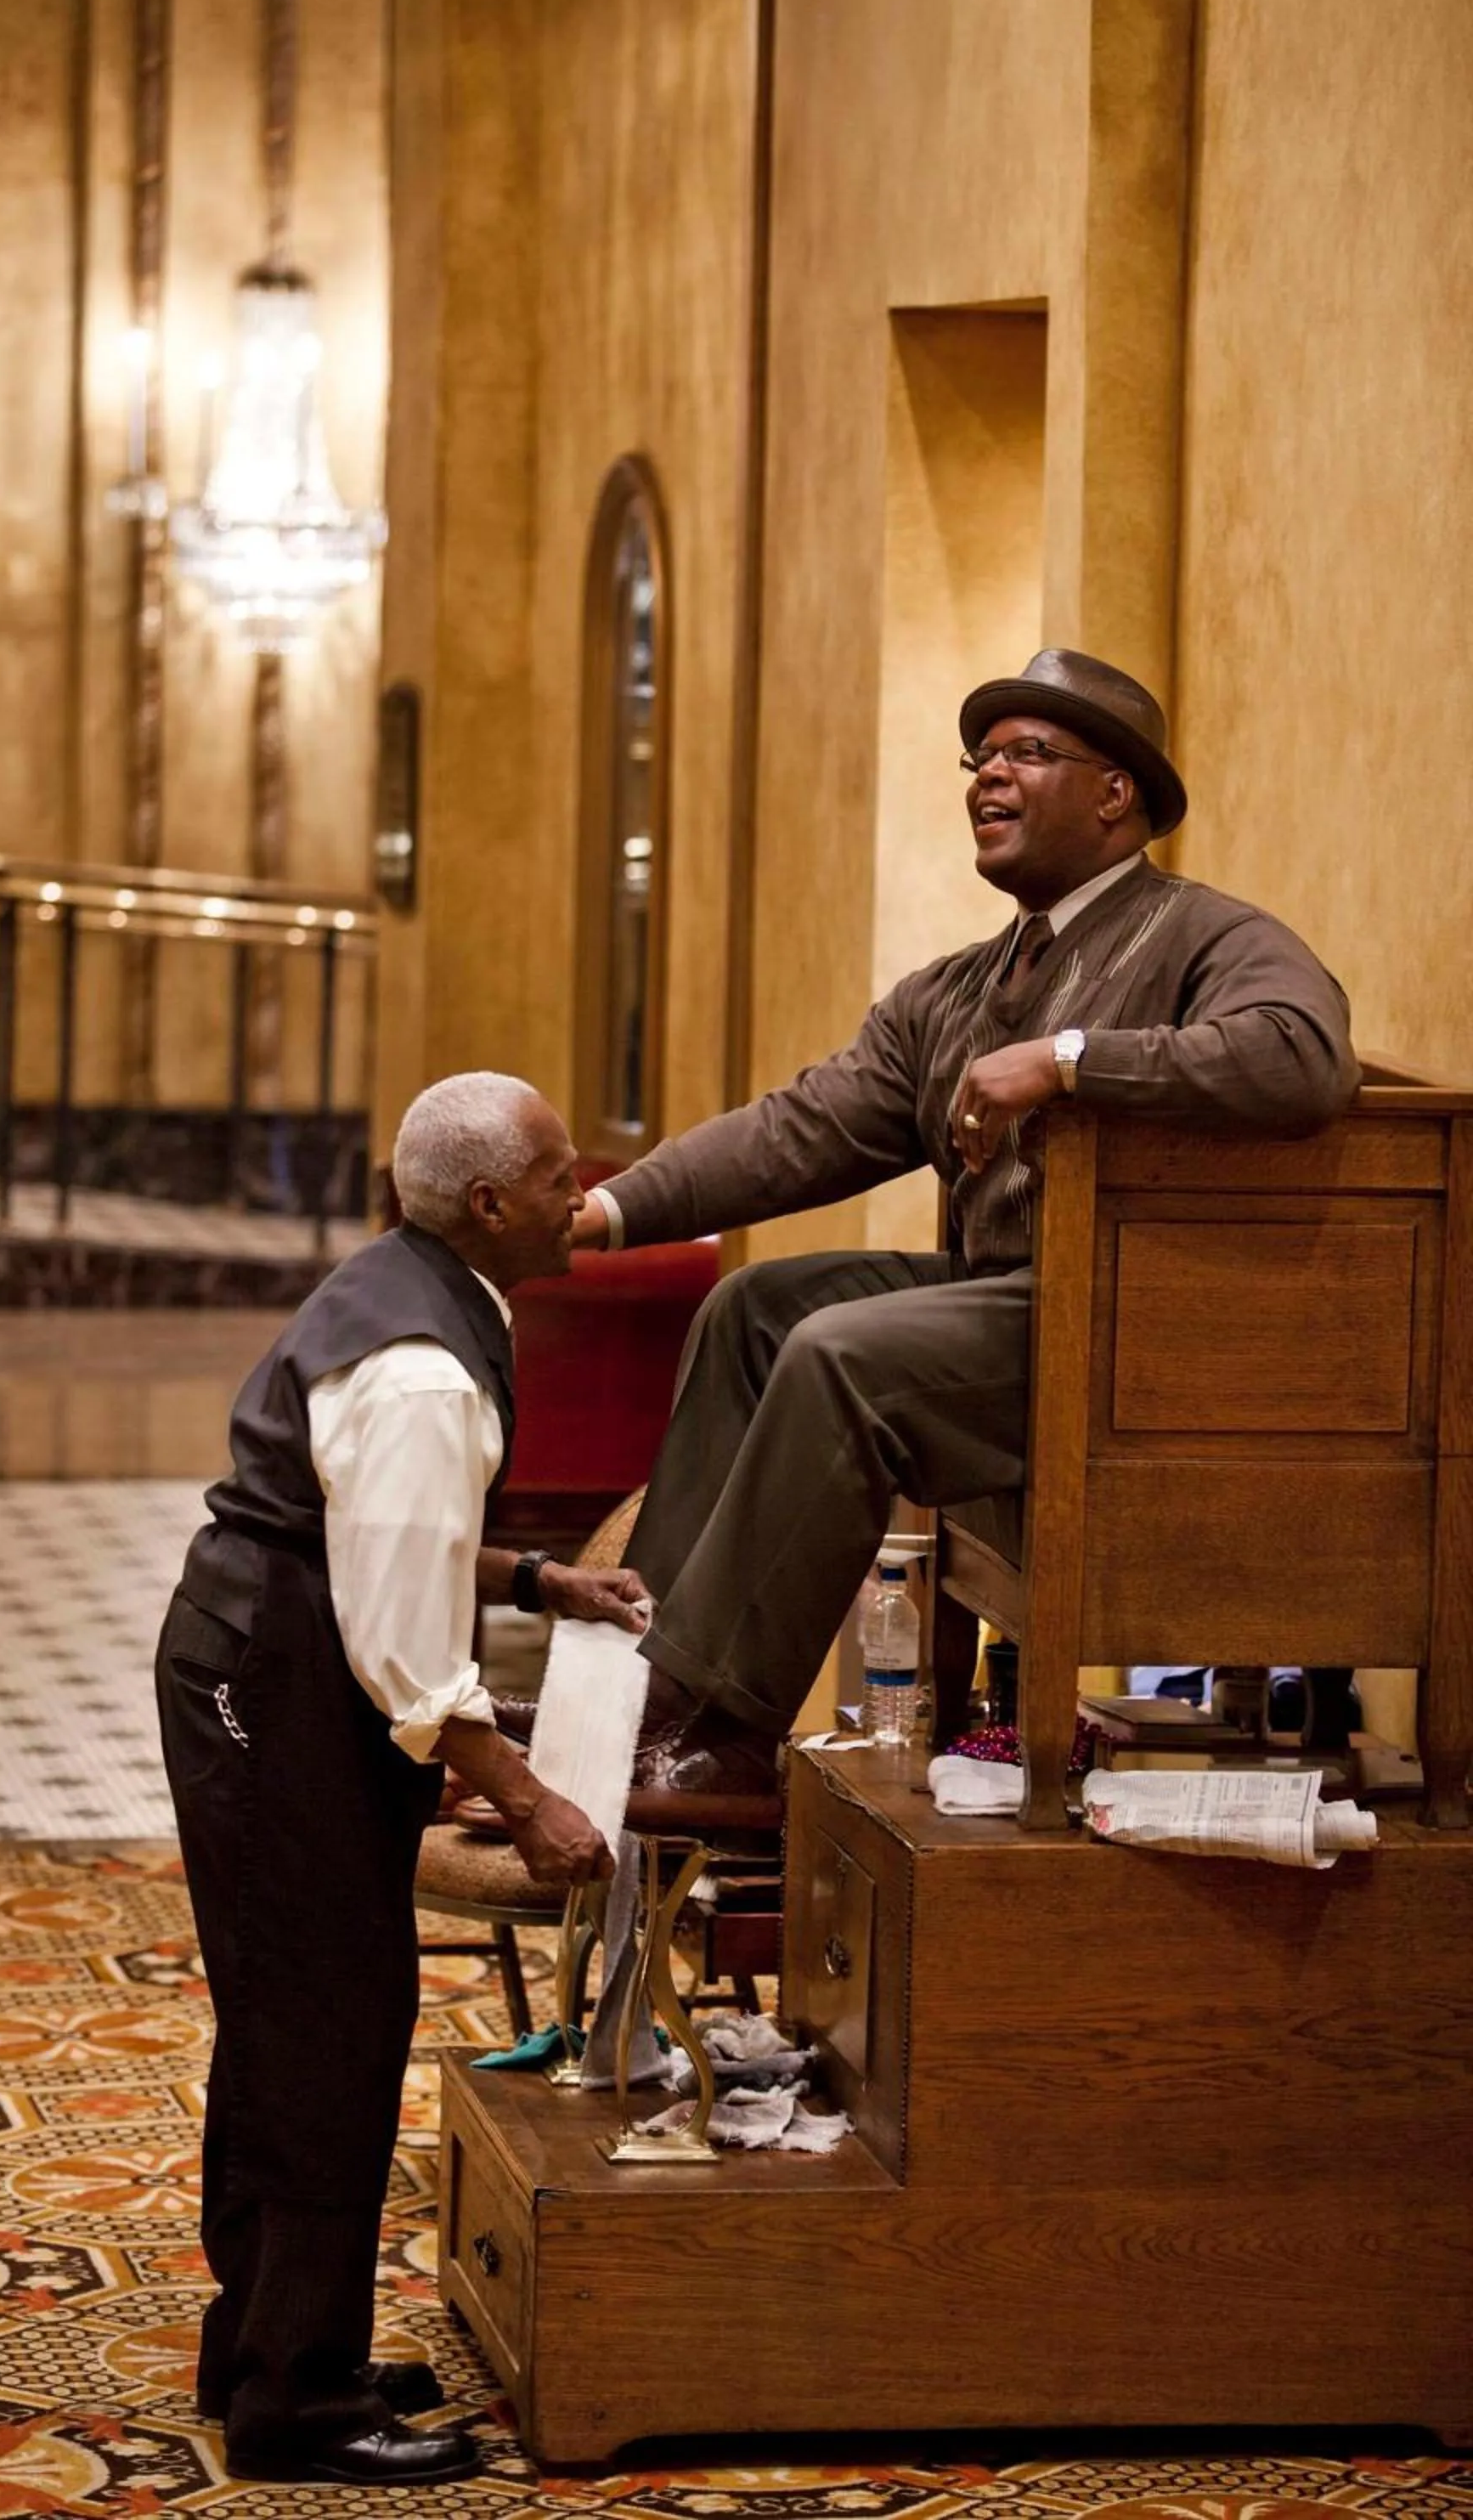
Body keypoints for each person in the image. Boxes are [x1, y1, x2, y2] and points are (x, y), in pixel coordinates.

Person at [569, 648, 1363, 1792]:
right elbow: (800, 1129)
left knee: (846, 1355)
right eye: (979, 758)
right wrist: (607, 1210)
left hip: (1130, 1335)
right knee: (752, 1307)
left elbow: (1301, 1057)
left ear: (1115, 792)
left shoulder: (1207, 935)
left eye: (1026, 754)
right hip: (1010, 1310)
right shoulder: (954, 991)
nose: (987, 778)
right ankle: (630, 1696)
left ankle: (733, 1736)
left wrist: (1067, 1062)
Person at [156, 1071, 645, 2487]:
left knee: (288, 2013)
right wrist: (528, 1792)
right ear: (491, 1205)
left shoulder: (409, 1287)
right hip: (277, 1684)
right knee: (323, 2030)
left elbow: (372, 1528)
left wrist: (540, 1577)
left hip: (270, 1653)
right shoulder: (428, 1369)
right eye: (559, 1172)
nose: (582, 1186)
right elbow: (403, 1647)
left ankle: (262, 2338)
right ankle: (295, 2406)